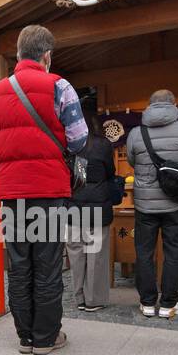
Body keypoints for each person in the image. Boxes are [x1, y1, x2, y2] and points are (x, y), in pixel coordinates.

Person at [0, 24, 87, 355]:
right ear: (47, 56)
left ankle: (25, 337)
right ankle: (45, 337)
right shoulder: (60, 86)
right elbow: (79, 138)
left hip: (12, 194)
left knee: (20, 263)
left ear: (17, 55)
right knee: (47, 264)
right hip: (48, 190)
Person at [125, 88, 178, 319]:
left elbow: (131, 160)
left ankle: (147, 303)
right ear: (173, 104)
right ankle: (168, 304)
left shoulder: (137, 133)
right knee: (174, 253)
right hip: (175, 203)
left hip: (144, 204)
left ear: (149, 106)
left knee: (144, 253)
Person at [66, 107, 116, 312]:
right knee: (95, 253)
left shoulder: (68, 146)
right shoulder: (102, 145)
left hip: (73, 206)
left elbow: (71, 176)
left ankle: (79, 298)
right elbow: (110, 172)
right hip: (97, 206)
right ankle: (93, 300)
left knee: (76, 253)